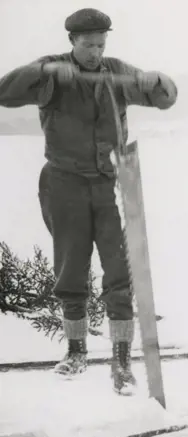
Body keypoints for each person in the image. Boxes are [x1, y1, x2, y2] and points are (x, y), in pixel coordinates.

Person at [0, 8, 178, 395]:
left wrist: (157, 80)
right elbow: (5, 92)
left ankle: (121, 362)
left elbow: (165, 99)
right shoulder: (50, 72)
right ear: (72, 42)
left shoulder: (115, 70)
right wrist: (45, 72)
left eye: (100, 44)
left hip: (111, 185)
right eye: (87, 45)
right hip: (62, 184)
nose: (95, 52)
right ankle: (76, 352)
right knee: (70, 267)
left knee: (119, 269)